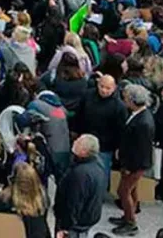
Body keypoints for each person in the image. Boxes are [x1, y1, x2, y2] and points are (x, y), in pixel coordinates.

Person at [110, 85, 155, 237]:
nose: (125, 100)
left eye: (127, 98)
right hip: (131, 161)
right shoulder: (140, 115)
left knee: (123, 191)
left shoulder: (143, 123)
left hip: (135, 164)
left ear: (133, 101)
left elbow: (140, 149)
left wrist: (129, 166)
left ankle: (131, 222)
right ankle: (128, 215)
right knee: (131, 190)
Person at [54, 135, 107, 238]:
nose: (74, 142)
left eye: (78, 142)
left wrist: (65, 228)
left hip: (74, 226)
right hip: (87, 218)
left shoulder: (80, 174)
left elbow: (73, 203)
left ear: (84, 151)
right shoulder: (98, 164)